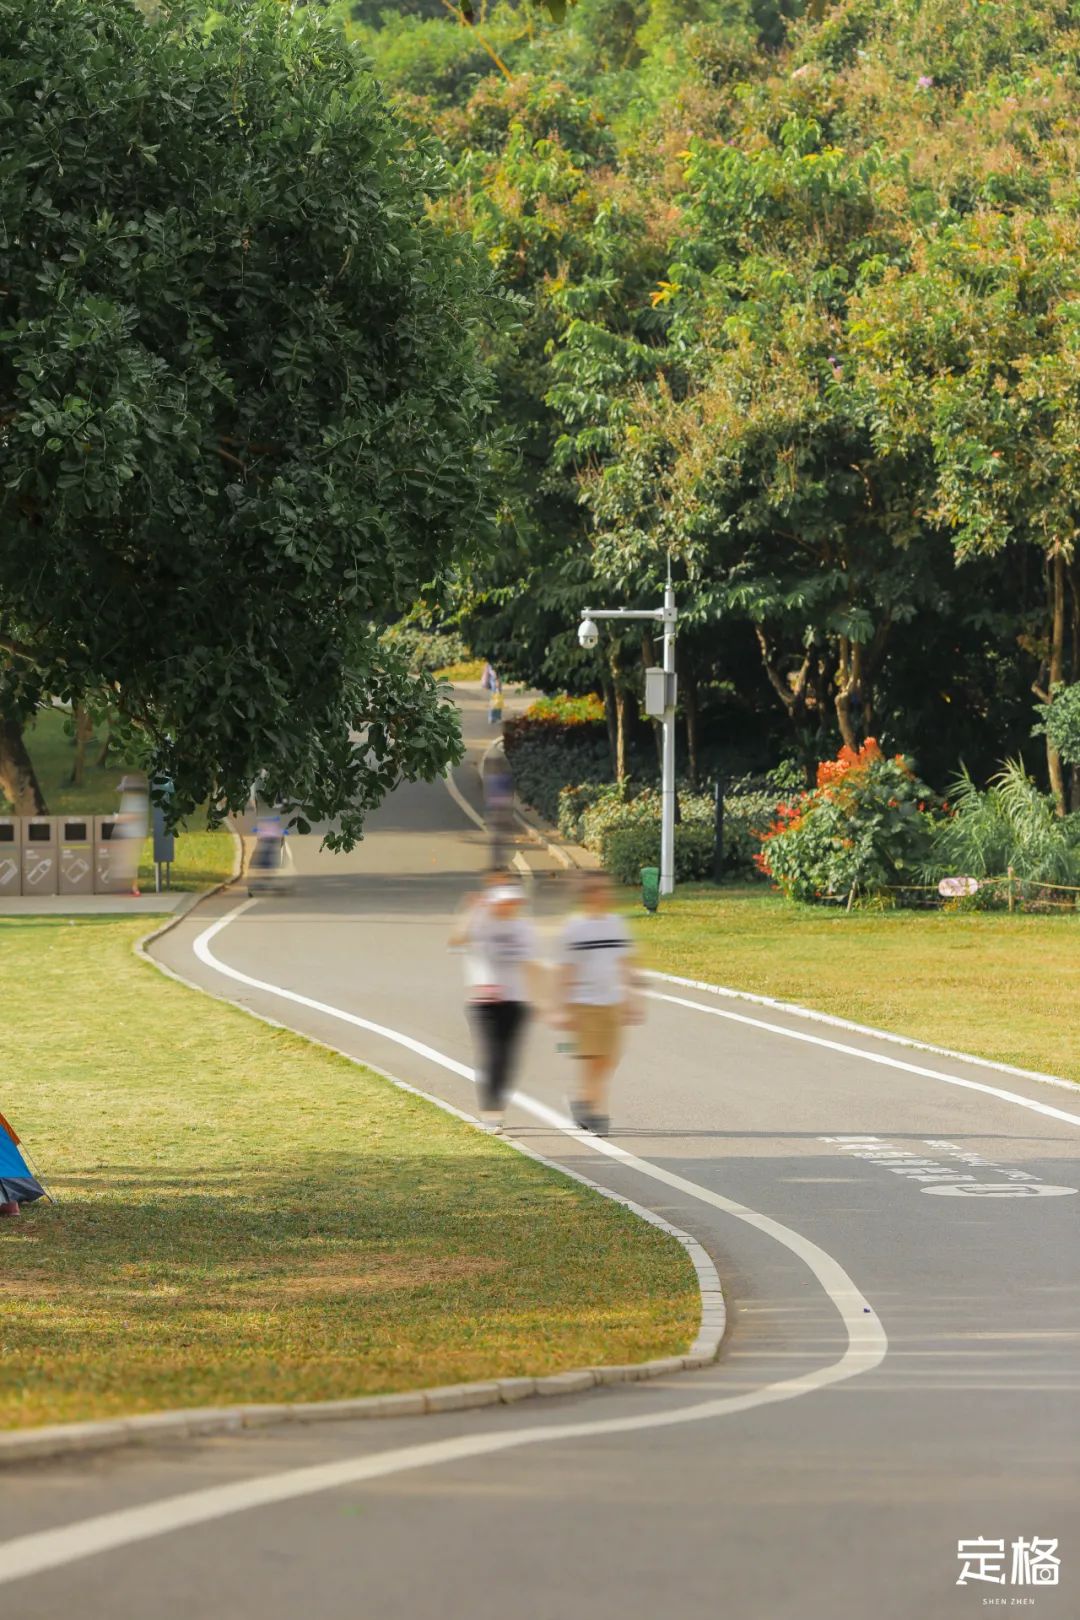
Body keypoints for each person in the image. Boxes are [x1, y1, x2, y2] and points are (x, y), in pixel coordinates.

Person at [449, 875, 542, 1133]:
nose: (507, 906)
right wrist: (471, 909)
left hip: (516, 999)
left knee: (508, 1059)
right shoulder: (481, 921)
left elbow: (531, 964)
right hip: (484, 1001)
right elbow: (457, 939)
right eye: (502, 902)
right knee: (492, 1055)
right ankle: (490, 1112)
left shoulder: (523, 928)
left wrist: (539, 998)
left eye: (512, 902)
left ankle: (497, 1106)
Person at [554, 870, 643, 1136]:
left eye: (605, 889)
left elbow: (625, 962)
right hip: (584, 1002)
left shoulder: (616, 923)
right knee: (592, 1059)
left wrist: (631, 999)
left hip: (612, 1002)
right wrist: (563, 1007)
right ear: (586, 895)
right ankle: (596, 1113)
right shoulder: (575, 928)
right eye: (596, 890)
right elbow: (565, 970)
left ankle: (582, 1100)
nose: (603, 894)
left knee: (609, 1060)